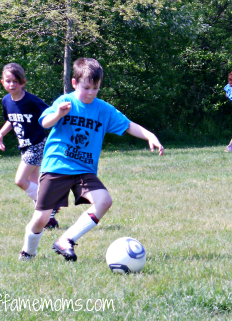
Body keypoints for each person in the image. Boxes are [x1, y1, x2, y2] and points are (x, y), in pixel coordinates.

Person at [19, 58, 164, 261]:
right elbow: (44, 122)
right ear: (74, 83)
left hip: (84, 169)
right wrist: (59, 114)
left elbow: (128, 125)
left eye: (95, 88)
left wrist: (149, 135)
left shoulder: (103, 109)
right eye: (86, 87)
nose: (91, 93)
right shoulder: (64, 102)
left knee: (104, 201)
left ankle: (66, 240)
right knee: (41, 218)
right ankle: (28, 252)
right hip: (57, 166)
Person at [0, 63, 59, 229]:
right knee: (34, 184)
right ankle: (48, 219)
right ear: (2, 82)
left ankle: (48, 204)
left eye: (15, 81)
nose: (12, 84)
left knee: (20, 180)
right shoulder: (6, 101)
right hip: (24, 147)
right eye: (8, 81)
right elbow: (11, 119)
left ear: (23, 82)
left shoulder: (31, 101)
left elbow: (50, 114)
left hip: (37, 145)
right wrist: (1, 133)